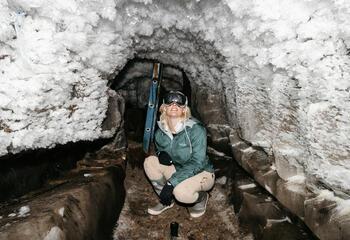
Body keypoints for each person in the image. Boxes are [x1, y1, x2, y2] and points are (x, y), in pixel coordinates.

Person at [144, 90, 215, 218]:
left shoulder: (196, 129)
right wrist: (160, 154)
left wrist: (172, 182)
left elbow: (198, 161)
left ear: (184, 109)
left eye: (179, 103)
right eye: (170, 102)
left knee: (181, 192)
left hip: (202, 172)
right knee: (150, 162)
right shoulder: (160, 131)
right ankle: (166, 200)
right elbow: (160, 149)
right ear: (164, 108)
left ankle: (201, 198)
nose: (174, 105)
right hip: (179, 168)